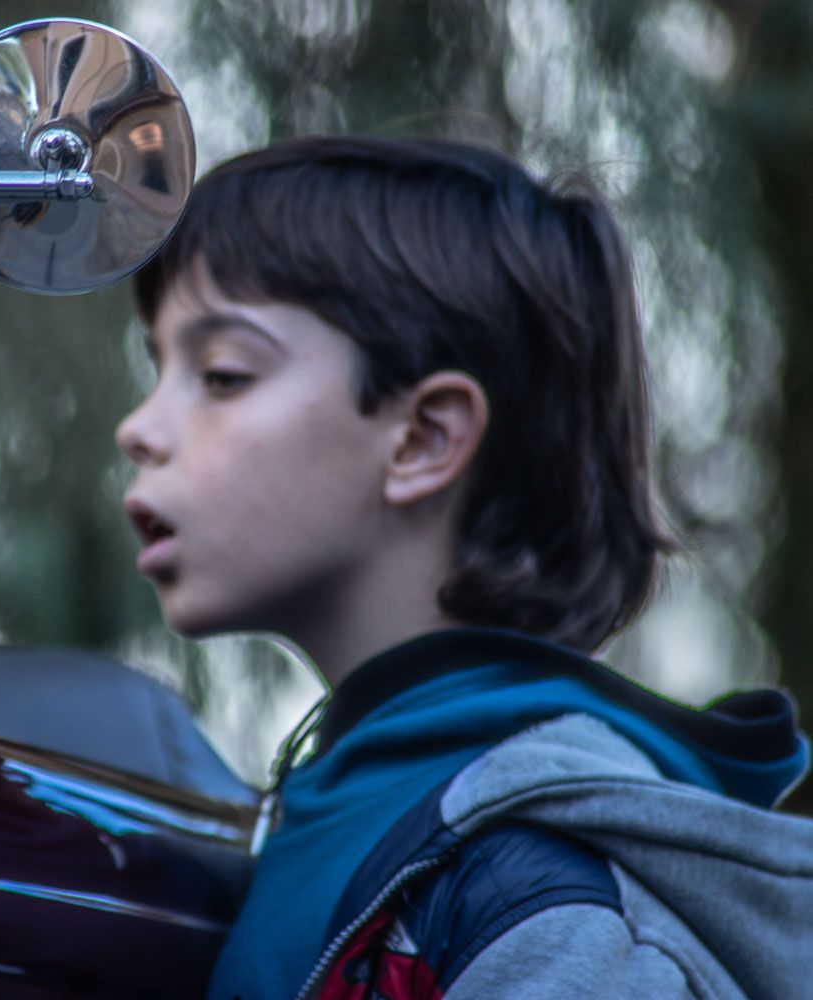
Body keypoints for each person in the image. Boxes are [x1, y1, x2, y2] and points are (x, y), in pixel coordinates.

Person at [116, 136, 813, 1000]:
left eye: (222, 375)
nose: (139, 428)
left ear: (424, 438)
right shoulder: (341, 804)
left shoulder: (542, 892)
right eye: (158, 366)